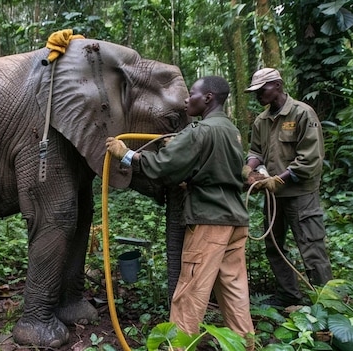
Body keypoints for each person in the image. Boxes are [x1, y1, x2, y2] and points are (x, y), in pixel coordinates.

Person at [107, 76, 254, 349]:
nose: (188, 99)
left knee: (190, 293)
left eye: (193, 94)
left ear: (208, 97)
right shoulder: (230, 130)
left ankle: (179, 346)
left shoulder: (200, 131)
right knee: (235, 291)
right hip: (235, 220)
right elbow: (213, 167)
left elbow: (164, 167)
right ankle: (246, 344)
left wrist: (127, 155)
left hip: (209, 221)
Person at [243, 68, 333, 307]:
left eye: (262, 90)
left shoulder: (303, 113)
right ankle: (288, 295)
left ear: (278, 86)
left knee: (311, 247)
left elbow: (309, 159)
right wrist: (249, 168)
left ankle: (326, 303)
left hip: (300, 195)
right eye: (255, 92)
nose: (258, 96)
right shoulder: (261, 120)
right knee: (274, 246)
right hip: (274, 199)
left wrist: (278, 179)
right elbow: (256, 151)